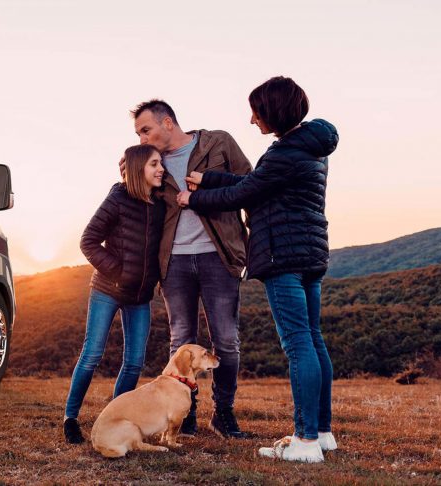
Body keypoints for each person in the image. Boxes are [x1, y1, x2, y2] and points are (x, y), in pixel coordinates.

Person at [178, 76, 339, 463]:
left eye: (256, 111)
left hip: (282, 255)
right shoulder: (311, 148)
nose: (252, 119)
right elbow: (257, 182)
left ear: (273, 111)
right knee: (313, 339)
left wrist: (193, 198)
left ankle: (303, 443)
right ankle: (322, 434)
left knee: (298, 343)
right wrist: (211, 177)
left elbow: (243, 193)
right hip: (311, 254)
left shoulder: (284, 153)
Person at [126, 100, 252, 439]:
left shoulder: (218, 143)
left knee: (225, 340)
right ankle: (187, 413)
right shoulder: (153, 164)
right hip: (174, 262)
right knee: (180, 341)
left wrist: (255, 247)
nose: (142, 139)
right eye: (139, 134)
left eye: (146, 130)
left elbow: (251, 188)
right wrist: (130, 171)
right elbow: (138, 203)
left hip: (218, 256)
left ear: (168, 122)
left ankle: (223, 414)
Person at [64, 144, 166, 444]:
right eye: (154, 164)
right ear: (138, 169)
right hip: (108, 289)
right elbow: (88, 241)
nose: (161, 169)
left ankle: (115, 417)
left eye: (160, 163)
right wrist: (119, 272)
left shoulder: (160, 205)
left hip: (140, 297)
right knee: (92, 354)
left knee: (134, 361)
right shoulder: (118, 198)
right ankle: (70, 417)